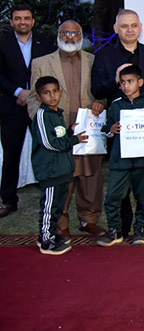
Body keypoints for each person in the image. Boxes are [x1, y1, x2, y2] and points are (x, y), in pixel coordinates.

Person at [27, 20, 105, 237]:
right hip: (59, 133)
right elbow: (33, 98)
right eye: (65, 32)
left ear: (82, 36)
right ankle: (59, 224)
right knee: (62, 178)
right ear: (58, 35)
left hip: (86, 130)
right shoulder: (40, 63)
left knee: (91, 177)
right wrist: (45, 123)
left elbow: (100, 90)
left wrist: (101, 102)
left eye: (75, 33)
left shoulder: (93, 60)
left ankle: (88, 220)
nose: (70, 37)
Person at [91, 8, 144, 235]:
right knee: (120, 179)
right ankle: (121, 224)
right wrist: (115, 81)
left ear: (140, 27)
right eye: (124, 26)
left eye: (133, 25)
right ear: (115, 29)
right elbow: (96, 89)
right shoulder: (104, 55)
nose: (129, 30)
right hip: (119, 128)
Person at [97, 65, 144, 247]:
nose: (126, 86)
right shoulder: (116, 105)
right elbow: (105, 128)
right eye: (123, 82)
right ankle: (114, 229)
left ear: (140, 82)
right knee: (112, 196)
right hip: (121, 161)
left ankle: (141, 228)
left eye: (130, 81)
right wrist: (111, 129)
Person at [0, 3, 54, 219]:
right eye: (18, 18)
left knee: (47, 151)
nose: (23, 22)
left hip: (39, 104)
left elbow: (50, 71)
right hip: (11, 106)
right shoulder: (2, 42)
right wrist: (18, 92)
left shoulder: (45, 42)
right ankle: (8, 200)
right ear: (11, 21)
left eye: (27, 18)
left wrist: (33, 93)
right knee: (11, 154)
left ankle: (50, 196)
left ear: (33, 21)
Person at [30, 76, 87, 255]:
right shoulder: (42, 115)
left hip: (63, 170)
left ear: (60, 92)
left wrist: (69, 130)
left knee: (58, 206)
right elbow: (50, 143)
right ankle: (45, 241)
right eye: (47, 93)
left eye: (55, 91)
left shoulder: (56, 114)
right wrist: (73, 139)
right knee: (48, 207)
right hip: (50, 171)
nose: (52, 96)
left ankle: (51, 234)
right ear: (39, 97)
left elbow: (59, 136)